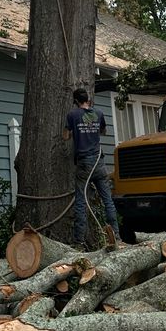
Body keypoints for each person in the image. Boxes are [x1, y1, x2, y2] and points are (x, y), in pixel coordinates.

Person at [64, 87, 119, 247]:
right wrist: (90, 130)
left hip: (84, 164)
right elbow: (103, 131)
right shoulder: (99, 113)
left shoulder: (73, 115)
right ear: (88, 99)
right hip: (99, 162)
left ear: (75, 101)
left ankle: (79, 241)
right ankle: (116, 235)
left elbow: (66, 136)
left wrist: (76, 131)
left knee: (81, 201)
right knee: (107, 200)